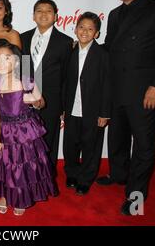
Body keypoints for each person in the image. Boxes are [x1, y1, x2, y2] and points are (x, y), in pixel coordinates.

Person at [96, 0, 155, 215]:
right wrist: (81, 48)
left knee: (143, 146)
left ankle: (135, 197)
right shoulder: (114, 14)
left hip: (145, 92)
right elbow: (109, 48)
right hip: (117, 89)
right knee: (117, 139)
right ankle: (120, 175)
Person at [0, 40, 58, 216]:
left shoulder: (26, 81)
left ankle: (21, 196)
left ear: (16, 61)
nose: (1, 62)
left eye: (7, 58)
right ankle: (6, 195)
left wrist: (34, 102)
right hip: (4, 130)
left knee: (22, 165)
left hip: (24, 132)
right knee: (5, 164)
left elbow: (41, 102)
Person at [21, 0, 74, 174]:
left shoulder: (65, 42)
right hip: (24, 100)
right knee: (25, 140)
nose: (43, 14)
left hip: (51, 101)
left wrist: (65, 106)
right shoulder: (22, 38)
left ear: (56, 16)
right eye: (39, 11)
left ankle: (47, 176)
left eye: (48, 11)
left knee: (48, 139)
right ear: (33, 16)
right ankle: (26, 175)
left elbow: (67, 77)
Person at [62, 12, 110, 196]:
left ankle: (86, 179)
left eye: (90, 29)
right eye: (82, 27)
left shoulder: (103, 54)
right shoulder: (71, 51)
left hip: (94, 111)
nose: (85, 31)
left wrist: (105, 113)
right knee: (70, 144)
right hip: (72, 108)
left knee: (91, 146)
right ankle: (72, 174)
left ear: (96, 34)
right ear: (75, 29)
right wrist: (63, 108)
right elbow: (65, 81)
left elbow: (108, 84)